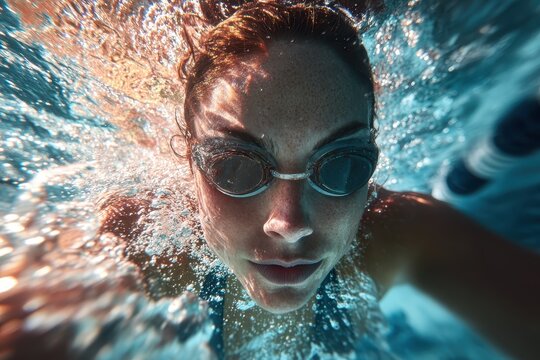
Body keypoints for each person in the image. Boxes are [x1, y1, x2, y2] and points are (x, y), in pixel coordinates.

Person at [4, 0, 540, 359]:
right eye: (236, 166)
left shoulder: (395, 233)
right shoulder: (146, 247)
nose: (289, 224)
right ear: (189, 160)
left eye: (341, 165)